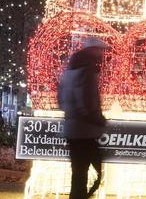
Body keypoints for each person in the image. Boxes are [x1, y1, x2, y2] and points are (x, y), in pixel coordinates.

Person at [58, 37, 108, 199]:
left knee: (79, 172)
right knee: (94, 171)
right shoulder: (86, 71)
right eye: (100, 50)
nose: (102, 54)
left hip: (72, 128)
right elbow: (87, 102)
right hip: (85, 130)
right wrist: (99, 120)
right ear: (92, 51)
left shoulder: (68, 71)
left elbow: (60, 100)